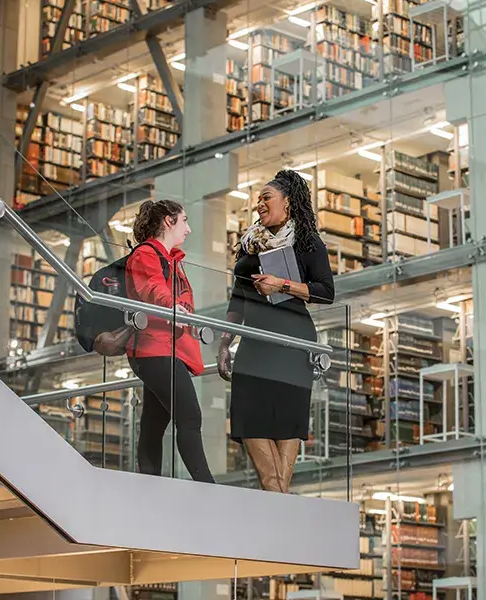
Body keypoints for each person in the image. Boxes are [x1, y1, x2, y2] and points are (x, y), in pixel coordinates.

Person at [217, 170, 335, 493]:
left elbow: (326, 291)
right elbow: (237, 300)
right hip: (255, 346)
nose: (260, 204)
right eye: (257, 200)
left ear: (287, 202)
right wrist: (225, 343)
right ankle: (284, 512)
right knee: (248, 418)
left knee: (287, 427)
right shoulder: (248, 246)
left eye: (266, 197)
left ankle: (279, 513)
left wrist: (282, 285)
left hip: (292, 346)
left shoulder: (308, 243)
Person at [126, 199, 215, 483]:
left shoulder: (172, 260)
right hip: (155, 347)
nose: (188, 229)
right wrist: (172, 307)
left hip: (165, 347)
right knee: (189, 416)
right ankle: (207, 488)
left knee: (155, 421)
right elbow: (150, 286)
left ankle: (149, 485)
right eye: (184, 220)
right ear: (168, 221)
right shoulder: (146, 254)